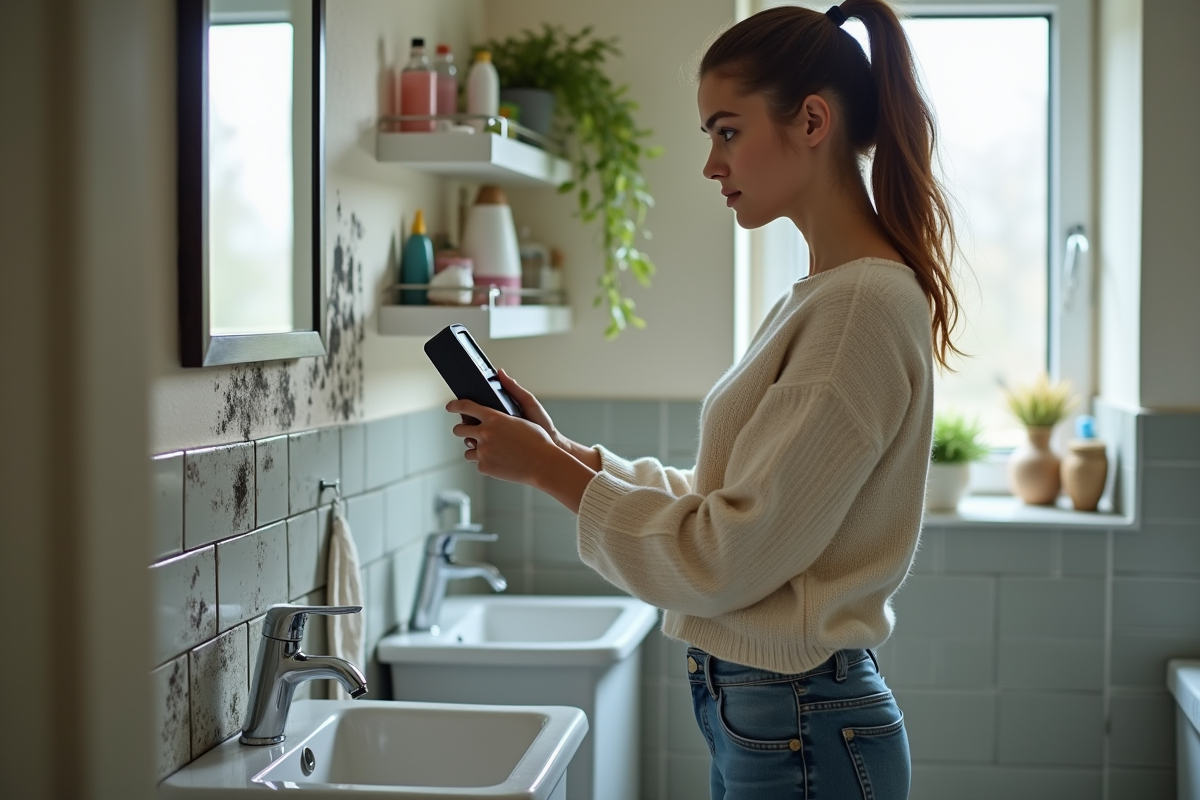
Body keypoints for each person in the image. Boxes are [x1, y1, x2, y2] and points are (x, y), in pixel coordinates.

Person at [442, 1, 961, 797]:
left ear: (812, 120)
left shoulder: (857, 309)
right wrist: (570, 455)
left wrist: (553, 476)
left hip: (799, 724)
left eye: (727, 131)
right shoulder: (823, 299)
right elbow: (732, 504)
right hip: (777, 718)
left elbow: (725, 557)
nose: (712, 165)